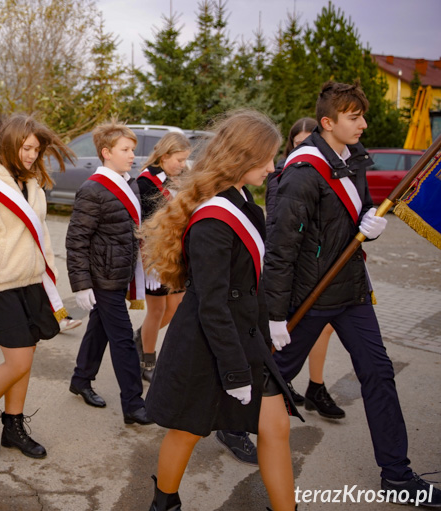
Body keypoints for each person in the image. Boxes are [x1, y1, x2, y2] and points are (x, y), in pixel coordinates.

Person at [265, 82, 441, 507]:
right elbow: (281, 246)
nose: (363, 124)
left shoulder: (356, 161)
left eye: (362, 115)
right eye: (353, 117)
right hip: (309, 295)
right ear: (328, 123)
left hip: (351, 292)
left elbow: (352, 223)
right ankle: (231, 425)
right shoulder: (303, 172)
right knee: (272, 376)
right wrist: (273, 314)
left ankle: (397, 477)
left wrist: (370, 227)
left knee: (379, 374)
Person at [141, 110, 299, 511]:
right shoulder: (214, 218)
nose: (272, 166)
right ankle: (164, 504)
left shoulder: (248, 206)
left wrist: (270, 327)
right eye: (266, 158)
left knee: (276, 426)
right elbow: (212, 304)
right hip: (208, 343)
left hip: (243, 336)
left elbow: (251, 285)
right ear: (242, 157)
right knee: (188, 430)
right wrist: (233, 369)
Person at [0, 114, 74, 458]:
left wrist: (48, 278)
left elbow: (41, 239)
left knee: (28, 358)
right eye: (26, 147)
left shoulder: (31, 183)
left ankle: (13, 425)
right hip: (0, 288)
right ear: (8, 143)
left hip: (31, 283)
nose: (31, 155)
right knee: (18, 363)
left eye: (36, 149)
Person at [66, 121, 154, 425]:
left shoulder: (128, 182)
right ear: (106, 152)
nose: (133, 155)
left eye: (132, 149)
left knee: (100, 328)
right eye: (125, 150)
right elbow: (77, 239)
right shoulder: (93, 189)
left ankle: (81, 379)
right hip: (102, 277)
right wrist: (81, 284)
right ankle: (133, 404)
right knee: (123, 340)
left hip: (120, 271)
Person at [266, 117, 343, 419]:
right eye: (299, 143)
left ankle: (315, 385)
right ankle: (274, 385)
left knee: (323, 329)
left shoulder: (334, 171)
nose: (307, 148)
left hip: (324, 265)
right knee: (291, 332)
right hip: (295, 266)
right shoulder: (285, 175)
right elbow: (279, 224)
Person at [134, 132, 191, 382]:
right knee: (156, 310)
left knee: (176, 308)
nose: (183, 164)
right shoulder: (145, 182)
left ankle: (140, 337)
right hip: (155, 254)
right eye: (179, 159)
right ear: (165, 156)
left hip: (177, 253)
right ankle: (148, 358)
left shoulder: (178, 179)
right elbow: (147, 223)